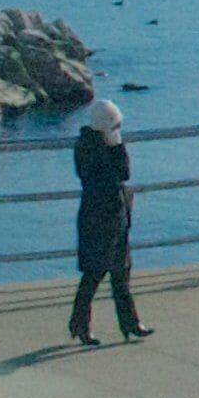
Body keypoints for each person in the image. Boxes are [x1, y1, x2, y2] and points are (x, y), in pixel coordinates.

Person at [68, 99, 150, 344]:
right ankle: (80, 324)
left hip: (117, 217)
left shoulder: (106, 145)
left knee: (121, 272)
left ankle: (130, 323)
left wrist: (117, 146)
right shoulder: (87, 148)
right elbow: (112, 177)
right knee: (94, 272)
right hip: (97, 218)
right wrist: (114, 149)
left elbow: (125, 173)